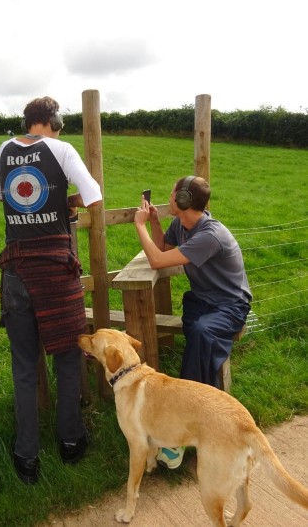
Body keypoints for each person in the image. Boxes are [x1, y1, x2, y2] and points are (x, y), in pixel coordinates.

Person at [0, 96, 102, 485]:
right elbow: (93, 196)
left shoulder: (4, 150)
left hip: (17, 273)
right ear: (52, 121)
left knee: (24, 368)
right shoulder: (62, 149)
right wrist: (62, 201)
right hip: (56, 273)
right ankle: (70, 443)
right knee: (68, 360)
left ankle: (26, 457)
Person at [134, 175, 251, 469]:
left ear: (184, 201)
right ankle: (202, 418)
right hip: (203, 301)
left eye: (172, 194)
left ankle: (180, 430)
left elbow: (157, 262)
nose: (169, 197)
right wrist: (154, 223)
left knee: (200, 335)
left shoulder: (209, 235)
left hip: (229, 305)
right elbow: (162, 249)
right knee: (199, 338)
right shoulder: (182, 224)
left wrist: (138, 226)